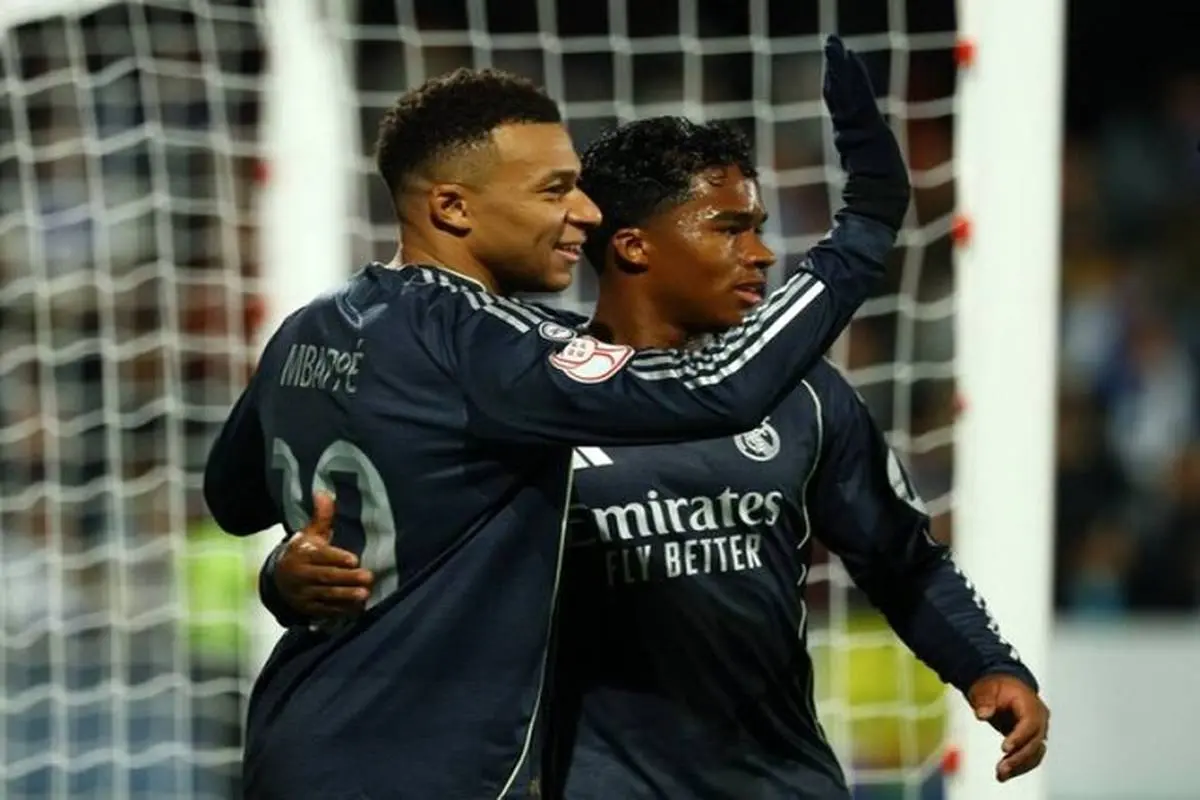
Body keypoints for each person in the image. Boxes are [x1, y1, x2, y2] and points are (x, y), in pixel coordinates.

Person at [264, 93, 1049, 800]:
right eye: (729, 229)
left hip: (783, 782)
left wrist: (985, 662)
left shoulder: (805, 396)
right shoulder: (525, 399)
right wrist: (285, 575)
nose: (761, 254)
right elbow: (402, 548)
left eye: (758, 229)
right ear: (636, 248)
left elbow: (900, 557)